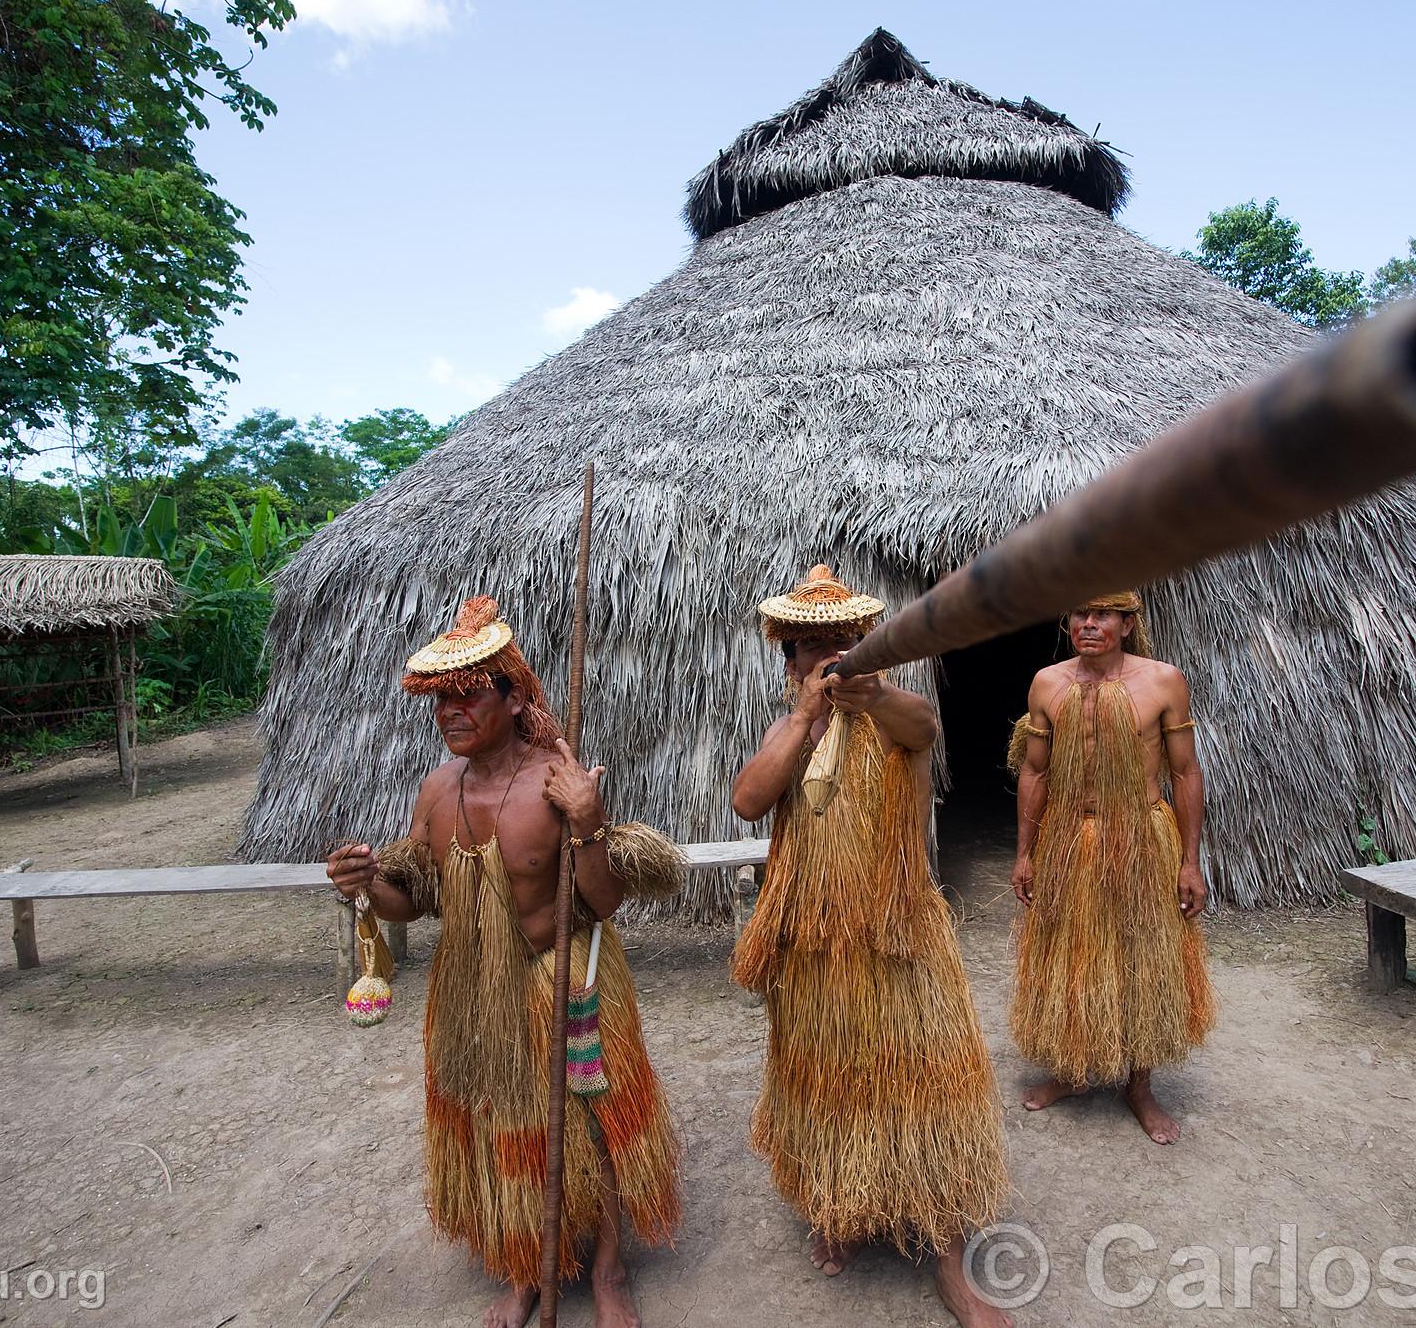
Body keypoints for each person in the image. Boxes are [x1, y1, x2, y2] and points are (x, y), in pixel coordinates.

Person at [326, 596, 680, 1328]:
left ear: (515, 696)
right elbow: (413, 901)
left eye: (468, 692)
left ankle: (609, 1270)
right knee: (497, 1128)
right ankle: (524, 1272)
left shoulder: (559, 777)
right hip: (474, 992)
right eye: (439, 698)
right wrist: (366, 886)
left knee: (594, 1120)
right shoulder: (436, 792)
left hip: (565, 976)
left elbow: (604, 901)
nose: (450, 711)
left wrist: (587, 822)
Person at [730, 564, 1012, 1328]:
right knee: (825, 1087)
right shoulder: (786, 730)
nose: (826, 659)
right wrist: (802, 718)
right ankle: (839, 1205)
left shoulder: (899, 716)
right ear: (787, 662)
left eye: (843, 645)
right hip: (815, 953)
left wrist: (870, 691)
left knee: (931, 1093)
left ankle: (950, 1263)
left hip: (898, 939)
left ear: (871, 646)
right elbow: (749, 799)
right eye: (807, 649)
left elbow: (923, 725)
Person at [1008, 590, 1216, 1142]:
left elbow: (1186, 772)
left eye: (1102, 615)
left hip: (1143, 835)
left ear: (1126, 623)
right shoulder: (1047, 684)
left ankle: (1139, 1085)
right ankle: (1073, 1071)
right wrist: (1026, 851)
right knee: (1069, 952)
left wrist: (1190, 862)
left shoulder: (1163, 681)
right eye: (1079, 613)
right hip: (1069, 837)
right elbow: (1035, 772)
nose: (1089, 624)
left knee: (1143, 957)